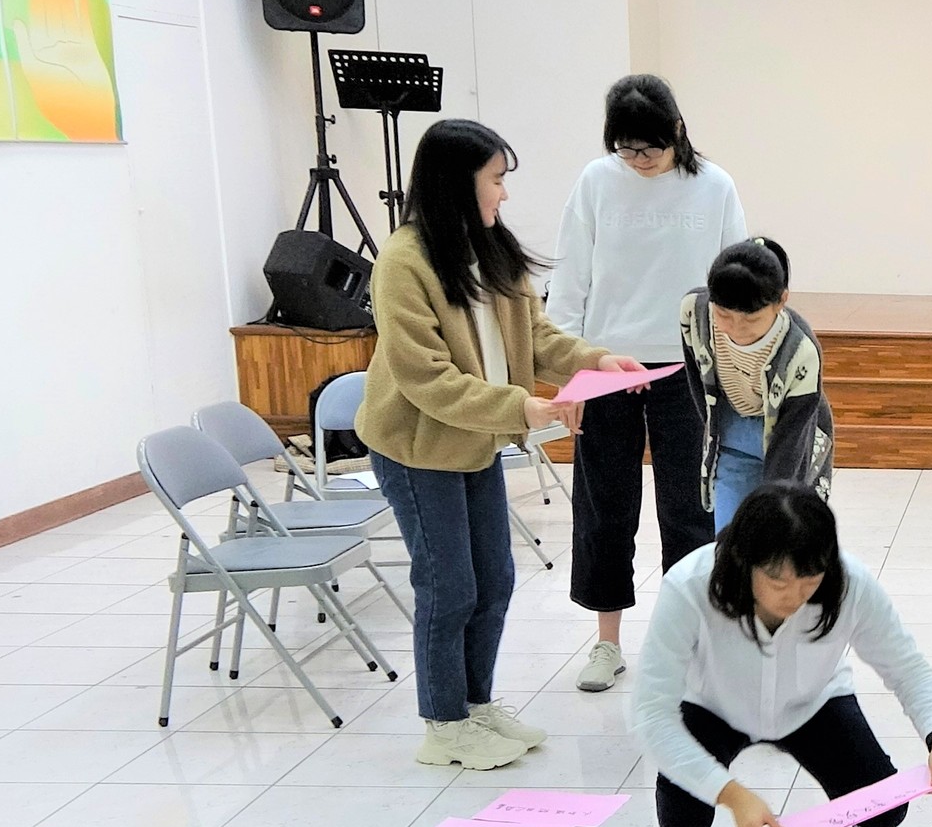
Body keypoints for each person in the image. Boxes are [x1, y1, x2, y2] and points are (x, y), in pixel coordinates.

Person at [357, 118, 637, 771]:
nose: (504, 193)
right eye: (496, 179)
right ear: (457, 183)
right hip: (417, 447)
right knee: (448, 585)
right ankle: (444, 724)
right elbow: (425, 378)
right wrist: (522, 406)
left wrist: (596, 361)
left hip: (474, 439)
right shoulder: (403, 262)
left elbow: (536, 337)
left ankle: (475, 706)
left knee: (496, 578)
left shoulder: (491, 248)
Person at [630, 483, 932, 827]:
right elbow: (651, 712)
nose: (795, 596)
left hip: (813, 702)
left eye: (809, 581)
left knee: (886, 807)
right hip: (714, 703)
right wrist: (732, 794)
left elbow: (906, 667)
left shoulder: (851, 583)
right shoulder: (690, 585)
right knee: (682, 793)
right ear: (743, 562)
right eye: (778, 582)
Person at [550, 74, 747, 696]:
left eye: (650, 149)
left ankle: (689, 642)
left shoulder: (714, 185)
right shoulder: (596, 181)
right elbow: (570, 280)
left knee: (691, 509)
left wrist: (735, 365)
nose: (639, 160)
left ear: (677, 132)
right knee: (604, 508)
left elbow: (736, 282)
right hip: (607, 365)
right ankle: (606, 643)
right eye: (627, 149)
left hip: (686, 369)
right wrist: (571, 375)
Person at [677, 237, 832, 535]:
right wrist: (714, 431)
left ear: (781, 301)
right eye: (723, 315)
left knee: (778, 530)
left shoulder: (800, 350)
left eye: (751, 319)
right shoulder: (694, 312)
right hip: (732, 433)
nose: (736, 328)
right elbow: (698, 380)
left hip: (789, 437)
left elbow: (791, 443)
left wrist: (774, 504)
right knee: (730, 539)